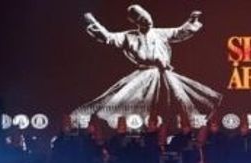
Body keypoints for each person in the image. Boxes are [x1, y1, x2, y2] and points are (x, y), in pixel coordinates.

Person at [74, 6, 220, 128]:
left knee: (177, 100)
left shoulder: (159, 33)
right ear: (135, 21)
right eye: (142, 19)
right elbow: (108, 37)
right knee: (136, 103)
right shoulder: (128, 36)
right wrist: (92, 21)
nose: (147, 21)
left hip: (164, 74)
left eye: (148, 18)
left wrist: (191, 21)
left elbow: (179, 32)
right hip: (143, 76)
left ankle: (174, 130)